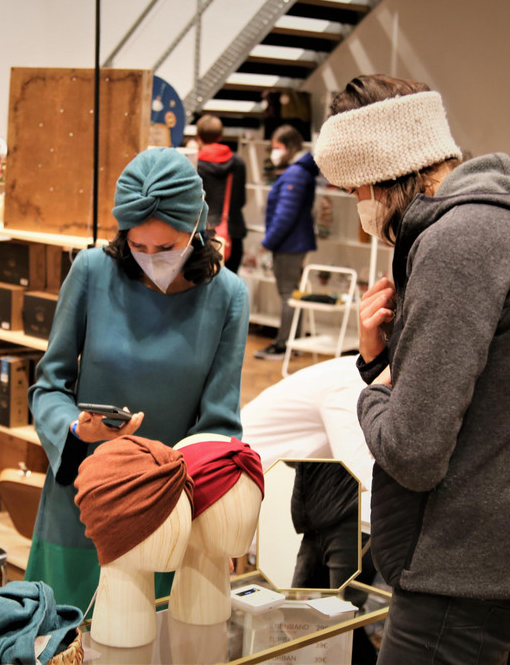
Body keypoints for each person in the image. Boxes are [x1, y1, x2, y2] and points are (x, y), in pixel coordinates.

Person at [313, 74, 510, 663]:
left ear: (384, 173)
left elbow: (413, 451)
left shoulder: (459, 241)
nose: (359, 207)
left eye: (355, 189)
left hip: (462, 572)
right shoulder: (503, 223)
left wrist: (370, 393)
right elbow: (472, 398)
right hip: (492, 555)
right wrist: (379, 363)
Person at [25, 147, 249, 611]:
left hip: (167, 512)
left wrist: (213, 514)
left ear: (196, 226)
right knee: (65, 639)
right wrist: (75, 429)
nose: (150, 258)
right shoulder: (92, 271)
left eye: (165, 248)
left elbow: (219, 424)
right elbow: (49, 385)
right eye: (137, 245)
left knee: (155, 639)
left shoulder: (228, 296)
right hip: (82, 501)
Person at [241, 354, 378, 664]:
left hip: (325, 511)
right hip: (276, 500)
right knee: (317, 621)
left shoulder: (348, 377)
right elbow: (364, 471)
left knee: (332, 621)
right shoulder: (350, 385)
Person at [255, 124, 318, 360]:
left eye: (277, 146)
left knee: (287, 295)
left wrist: (268, 242)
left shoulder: (295, 174)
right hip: (292, 242)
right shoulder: (297, 172)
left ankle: (284, 345)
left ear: (289, 146)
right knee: (292, 294)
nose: (274, 152)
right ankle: (292, 342)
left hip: (289, 244)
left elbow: (285, 214)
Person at [195, 114, 247, 273]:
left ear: (198, 137)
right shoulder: (237, 163)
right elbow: (241, 200)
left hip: (203, 233)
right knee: (229, 282)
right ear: (221, 136)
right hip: (232, 232)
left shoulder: (195, 163)